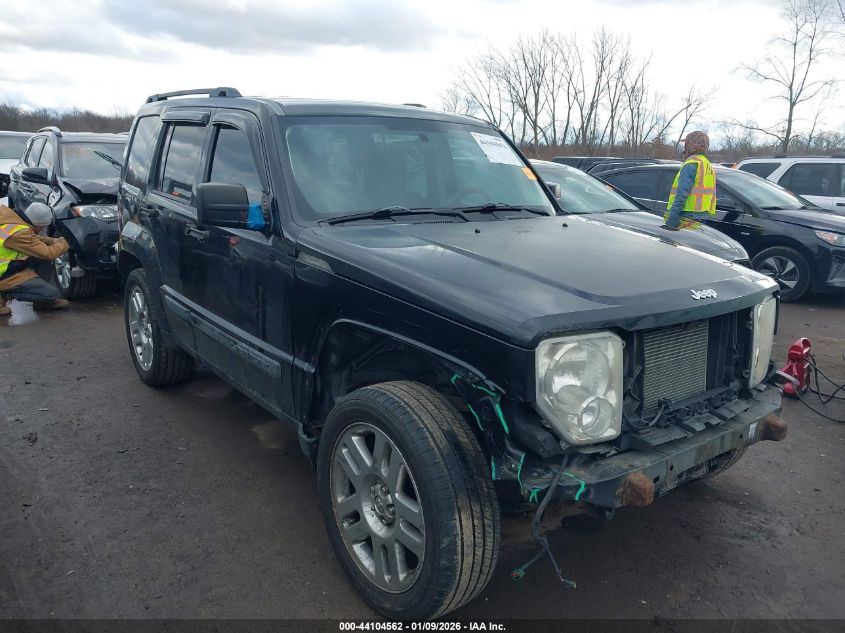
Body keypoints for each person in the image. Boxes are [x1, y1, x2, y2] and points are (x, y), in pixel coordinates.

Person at [0, 202, 70, 316]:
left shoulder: (11, 220)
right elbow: (49, 253)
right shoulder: (18, 234)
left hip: (9, 268)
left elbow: (33, 238)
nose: (44, 228)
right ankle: (5, 293)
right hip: (4, 275)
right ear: (38, 224)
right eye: (44, 226)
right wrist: (66, 241)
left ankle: (40, 299)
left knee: (40, 253)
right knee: (51, 294)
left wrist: (52, 241)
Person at [663, 130, 716, 231]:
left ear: (691, 146)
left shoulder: (691, 164)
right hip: (701, 215)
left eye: (686, 144)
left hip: (687, 216)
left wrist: (671, 220)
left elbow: (681, 195)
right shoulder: (706, 164)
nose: (684, 148)